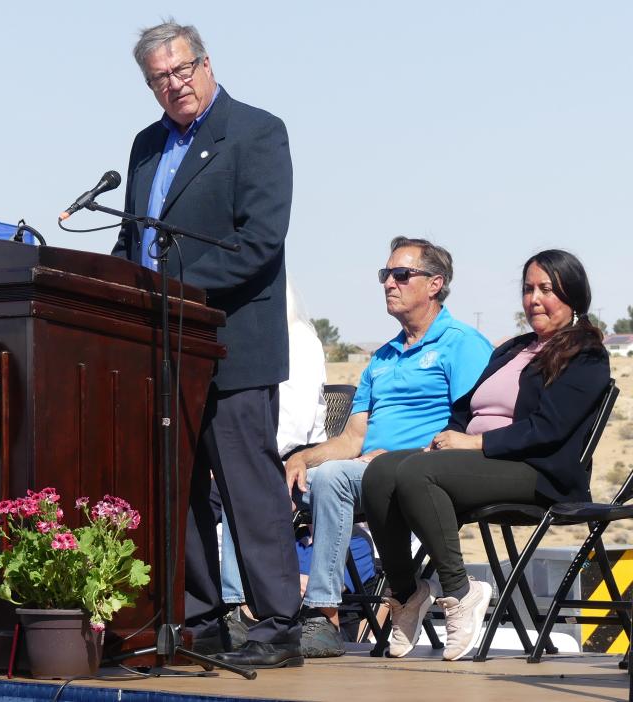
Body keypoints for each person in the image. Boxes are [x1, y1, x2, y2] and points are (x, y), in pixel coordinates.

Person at [111, 19, 301, 668]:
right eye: (159, 78)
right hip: (161, 351)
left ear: (206, 63)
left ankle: (278, 626)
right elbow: (132, 238)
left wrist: (174, 288)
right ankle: (201, 620)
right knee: (178, 488)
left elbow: (259, 243)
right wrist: (117, 288)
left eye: (182, 70)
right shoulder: (145, 146)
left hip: (232, 346)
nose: (174, 85)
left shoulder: (255, 132)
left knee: (250, 491)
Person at [362, 249, 610, 662]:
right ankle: (406, 593)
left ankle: (461, 592)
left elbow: (548, 430)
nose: (534, 299)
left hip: (537, 472)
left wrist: (474, 444)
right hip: (478, 463)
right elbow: (465, 408)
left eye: (546, 289)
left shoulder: (584, 355)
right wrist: (447, 438)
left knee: (418, 474)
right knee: (382, 471)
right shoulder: (513, 349)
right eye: (528, 289)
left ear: (573, 296)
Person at [283, 236, 493, 658]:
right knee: (264, 475)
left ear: (435, 284)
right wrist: (299, 457)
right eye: (385, 275)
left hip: (424, 472)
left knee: (334, 477)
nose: (389, 283)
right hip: (365, 472)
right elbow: (351, 439)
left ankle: (322, 615)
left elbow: (471, 425)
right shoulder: (382, 358)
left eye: (401, 274)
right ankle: (241, 614)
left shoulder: (462, 343)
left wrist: (399, 457)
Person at [219, 276, 327, 637]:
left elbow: (292, 427)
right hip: (260, 456)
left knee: (243, 485)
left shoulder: (298, 341)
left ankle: (239, 607)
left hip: (297, 462)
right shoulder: (254, 345)